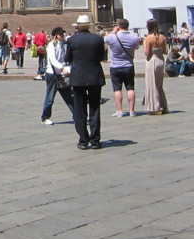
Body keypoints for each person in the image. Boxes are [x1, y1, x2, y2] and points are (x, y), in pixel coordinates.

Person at [65, 15, 105, 150]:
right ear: (88, 26)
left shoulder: (72, 40)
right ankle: (95, 140)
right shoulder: (98, 39)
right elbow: (101, 57)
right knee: (94, 108)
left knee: (80, 110)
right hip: (94, 77)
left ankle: (83, 140)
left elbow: (68, 58)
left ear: (77, 26)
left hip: (78, 78)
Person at [105, 18, 140, 117]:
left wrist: (114, 31)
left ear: (118, 26)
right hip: (128, 65)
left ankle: (119, 111)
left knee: (117, 89)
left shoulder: (112, 37)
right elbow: (137, 47)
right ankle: (132, 110)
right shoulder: (134, 37)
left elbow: (105, 40)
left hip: (115, 66)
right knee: (130, 88)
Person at [40, 27, 74, 125]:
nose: (62, 36)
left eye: (63, 34)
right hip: (53, 74)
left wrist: (68, 68)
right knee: (50, 97)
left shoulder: (64, 45)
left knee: (69, 97)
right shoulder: (51, 45)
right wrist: (61, 68)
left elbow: (65, 59)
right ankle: (45, 117)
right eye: (60, 34)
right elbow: (53, 60)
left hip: (62, 75)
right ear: (56, 35)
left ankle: (77, 115)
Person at [144, 18, 169, 115]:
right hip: (160, 59)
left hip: (152, 60)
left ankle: (155, 107)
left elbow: (147, 53)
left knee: (152, 84)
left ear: (147, 27)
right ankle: (164, 106)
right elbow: (165, 51)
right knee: (159, 85)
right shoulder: (162, 37)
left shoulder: (148, 38)